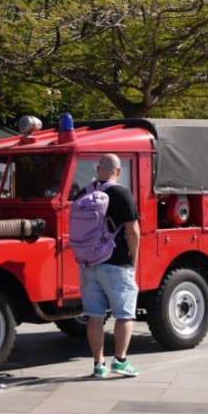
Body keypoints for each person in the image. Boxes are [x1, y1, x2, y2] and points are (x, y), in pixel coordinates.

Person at [79, 154, 142, 379]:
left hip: (89, 263)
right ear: (118, 171)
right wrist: (133, 260)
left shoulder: (83, 193)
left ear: (98, 169)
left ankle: (99, 365)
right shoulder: (122, 194)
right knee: (124, 315)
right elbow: (133, 232)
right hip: (117, 264)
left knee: (95, 317)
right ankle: (121, 361)